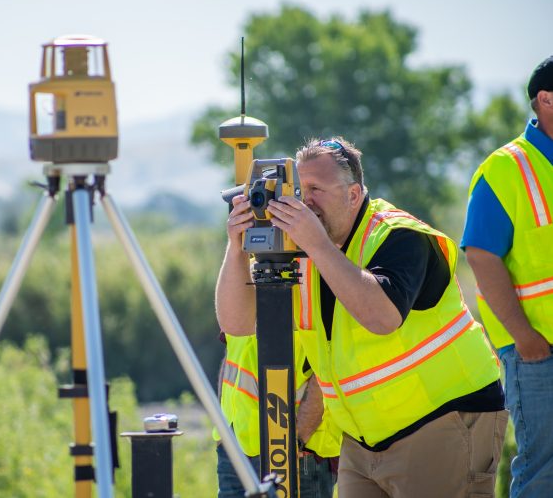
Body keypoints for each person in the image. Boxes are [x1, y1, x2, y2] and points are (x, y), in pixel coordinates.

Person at [216, 136, 507, 497]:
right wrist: (236, 247)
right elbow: (238, 324)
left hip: (442, 420)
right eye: (298, 188)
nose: (305, 202)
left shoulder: (400, 235)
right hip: (363, 438)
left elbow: (381, 317)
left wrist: (317, 244)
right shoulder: (302, 250)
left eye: (316, 189)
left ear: (354, 195)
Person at [462, 55, 553, 498]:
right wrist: (525, 338)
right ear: (546, 100)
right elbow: (480, 255)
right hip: (539, 353)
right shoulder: (506, 168)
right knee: (543, 472)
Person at [213, 331, 340, 498]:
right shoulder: (238, 307)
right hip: (234, 447)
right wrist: (223, 426)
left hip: (298, 453)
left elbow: (331, 362)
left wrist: (296, 441)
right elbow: (231, 352)